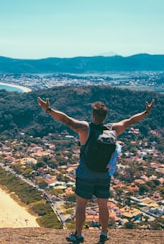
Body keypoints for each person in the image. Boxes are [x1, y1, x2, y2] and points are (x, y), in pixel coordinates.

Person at [37, 97, 155, 243]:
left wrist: (48, 109)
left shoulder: (85, 128)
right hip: (104, 174)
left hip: (85, 173)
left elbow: (66, 119)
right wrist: (146, 112)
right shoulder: (113, 129)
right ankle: (104, 233)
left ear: (93, 115)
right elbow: (131, 120)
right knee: (103, 205)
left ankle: (78, 235)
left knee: (81, 205)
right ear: (105, 117)